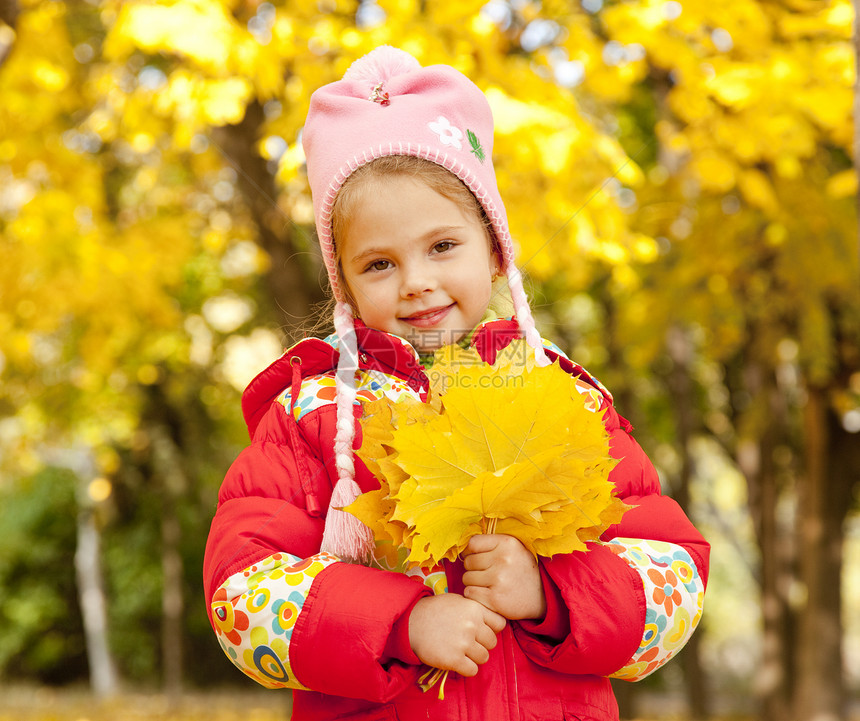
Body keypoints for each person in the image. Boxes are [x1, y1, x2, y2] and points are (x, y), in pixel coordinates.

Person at [203, 46, 709, 721]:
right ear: (345, 282)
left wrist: (548, 593)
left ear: (493, 247)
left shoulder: (564, 401)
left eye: (442, 246)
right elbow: (241, 594)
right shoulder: (314, 414)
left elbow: (672, 574)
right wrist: (398, 624)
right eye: (379, 262)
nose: (416, 281)